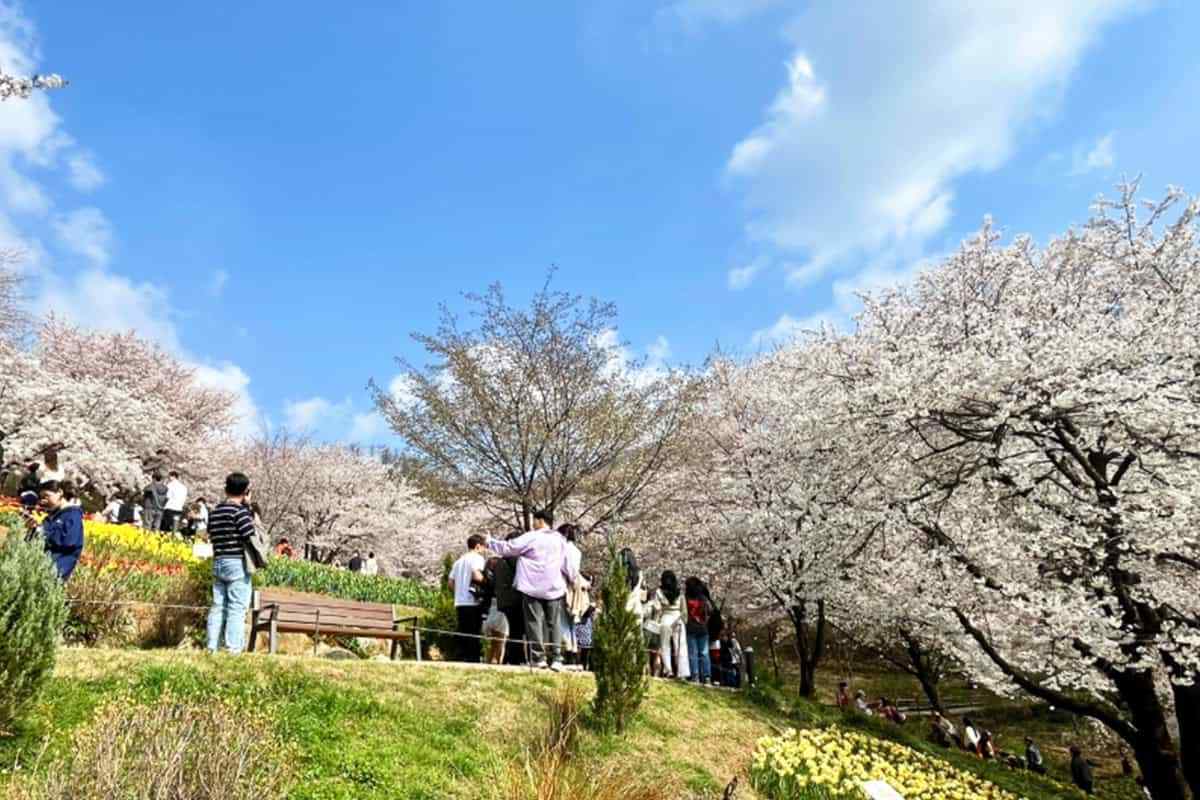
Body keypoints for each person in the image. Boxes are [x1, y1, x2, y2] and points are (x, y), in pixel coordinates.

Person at [486, 510, 578, 671]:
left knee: (533, 622)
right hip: (554, 587)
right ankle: (557, 658)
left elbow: (509, 548)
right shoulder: (561, 540)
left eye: (535, 520)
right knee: (554, 622)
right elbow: (568, 564)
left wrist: (490, 542)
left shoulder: (532, 537)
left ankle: (539, 658)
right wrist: (572, 579)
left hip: (531, 587)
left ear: (541, 521)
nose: (533, 523)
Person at [205, 472, 257, 654]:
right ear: (245, 491)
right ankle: (233, 648)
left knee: (218, 605)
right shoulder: (239, 512)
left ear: (226, 489)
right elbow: (250, 534)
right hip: (236, 563)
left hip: (219, 560)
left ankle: (211, 646)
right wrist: (249, 508)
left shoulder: (215, 512)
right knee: (237, 606)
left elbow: (210, 533)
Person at [448, 535, 488, 663]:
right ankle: (473, 659)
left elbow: (450, 583)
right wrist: (487, 582)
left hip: (460, 602)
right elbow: (477, 575)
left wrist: (459, 591)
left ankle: (462, 658)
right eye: (483, 547)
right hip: (473, 601)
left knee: (463, 631)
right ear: (478, 546)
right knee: (473, 633)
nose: (484, 550)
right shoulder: (477, 558)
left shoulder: (458, 561)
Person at [36, 480, 84, 581]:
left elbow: (68, 541)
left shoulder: (73, 515)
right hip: (40, 567)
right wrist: (34, 529)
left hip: (56, 569)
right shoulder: (52, 516)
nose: (43, 501)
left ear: (60, 493)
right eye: (41, 497)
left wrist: (42, 532)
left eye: (46, 496)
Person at [648, 570, 688, 679]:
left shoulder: (659, 592)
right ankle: (682, 672)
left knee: (665, 646)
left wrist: (655, 622)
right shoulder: (680, 592)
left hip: (665, 619)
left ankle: (668, 670)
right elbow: (684, 610)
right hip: (678, 619)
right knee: (681, 646)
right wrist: (684, 621)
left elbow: (657, 608)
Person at [495, 531, 526, 665]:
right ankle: (516, 658)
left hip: (504, 600)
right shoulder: (513, 558)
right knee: (517, 630)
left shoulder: (500, 561)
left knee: (514, 629)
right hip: (515, 600)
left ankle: (511, 657)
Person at [684, 576, 714, 685]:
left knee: (693, 653)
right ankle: (707, 677)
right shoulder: (703, 598)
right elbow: (711, 610)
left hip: (690, 628)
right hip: (703, 629)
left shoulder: (686, 598)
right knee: (704, 653)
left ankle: (695, 676)